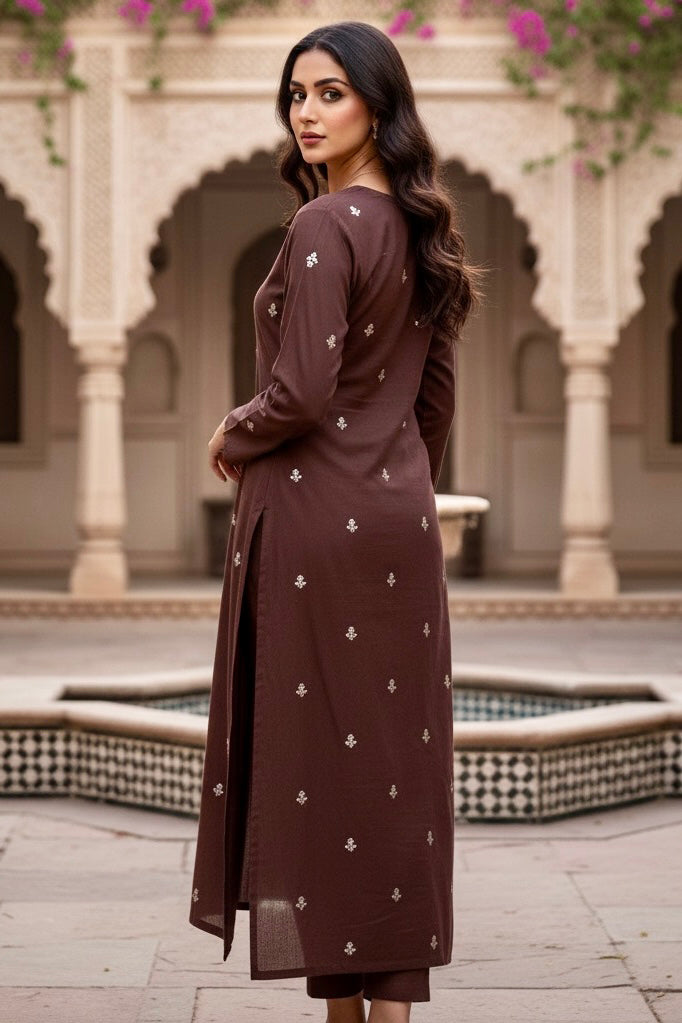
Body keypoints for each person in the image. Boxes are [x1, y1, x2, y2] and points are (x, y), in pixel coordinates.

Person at [189, 19, 484, 1023]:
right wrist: (389, 483)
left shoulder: (324, 226)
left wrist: (233, 429)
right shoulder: (422, 230)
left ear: (377, 105)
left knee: (318, 770)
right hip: (397, 524)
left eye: (330, 93)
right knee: (391, 768)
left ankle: (349, 1014)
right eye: (296, 94)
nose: (306, 113)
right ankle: (380, 1008)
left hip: (315, 526)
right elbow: (433, 403)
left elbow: (301, 392)